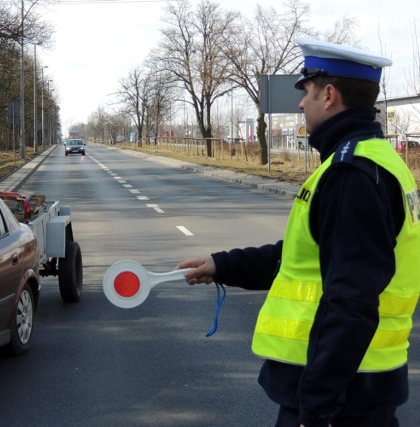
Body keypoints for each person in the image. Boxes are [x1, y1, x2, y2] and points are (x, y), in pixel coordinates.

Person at [177, 37, 420, 427]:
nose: (300, 104)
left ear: (329, 94)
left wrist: (317, 408)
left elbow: (351, 301)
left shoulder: (350, 174)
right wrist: (222, 266)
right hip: (362, 384)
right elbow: (301, 257)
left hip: (341, 397)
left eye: (306, 92)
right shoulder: (378, 159)